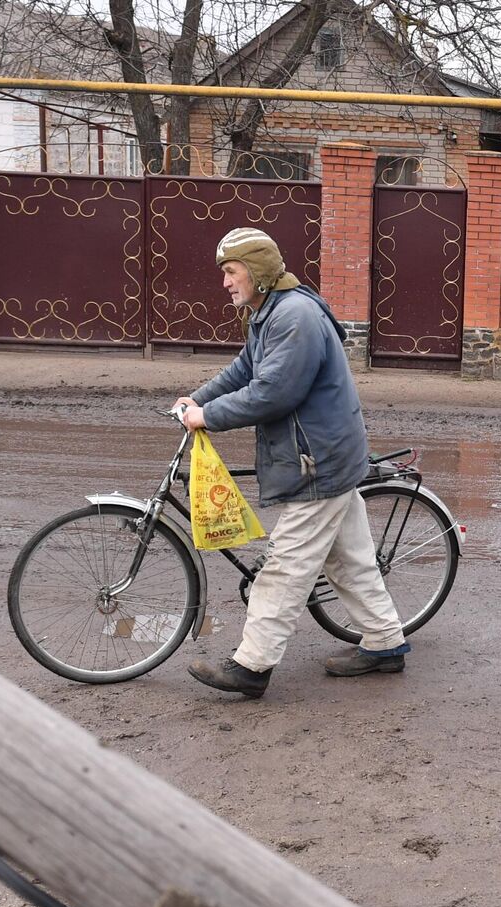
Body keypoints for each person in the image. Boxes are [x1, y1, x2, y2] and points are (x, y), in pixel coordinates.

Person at [171, 228, 409, 699]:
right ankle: (385, 643)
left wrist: (207, 417)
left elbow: (273, 392)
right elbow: (245, 369)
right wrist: (198, 398)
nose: (225, 283)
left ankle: (251, 667)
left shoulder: (294, 316)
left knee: (284, 567)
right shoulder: (270, 311)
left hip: (318, 459)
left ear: (257, 272)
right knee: (350, 561)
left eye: (231, 272)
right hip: (326, 452)